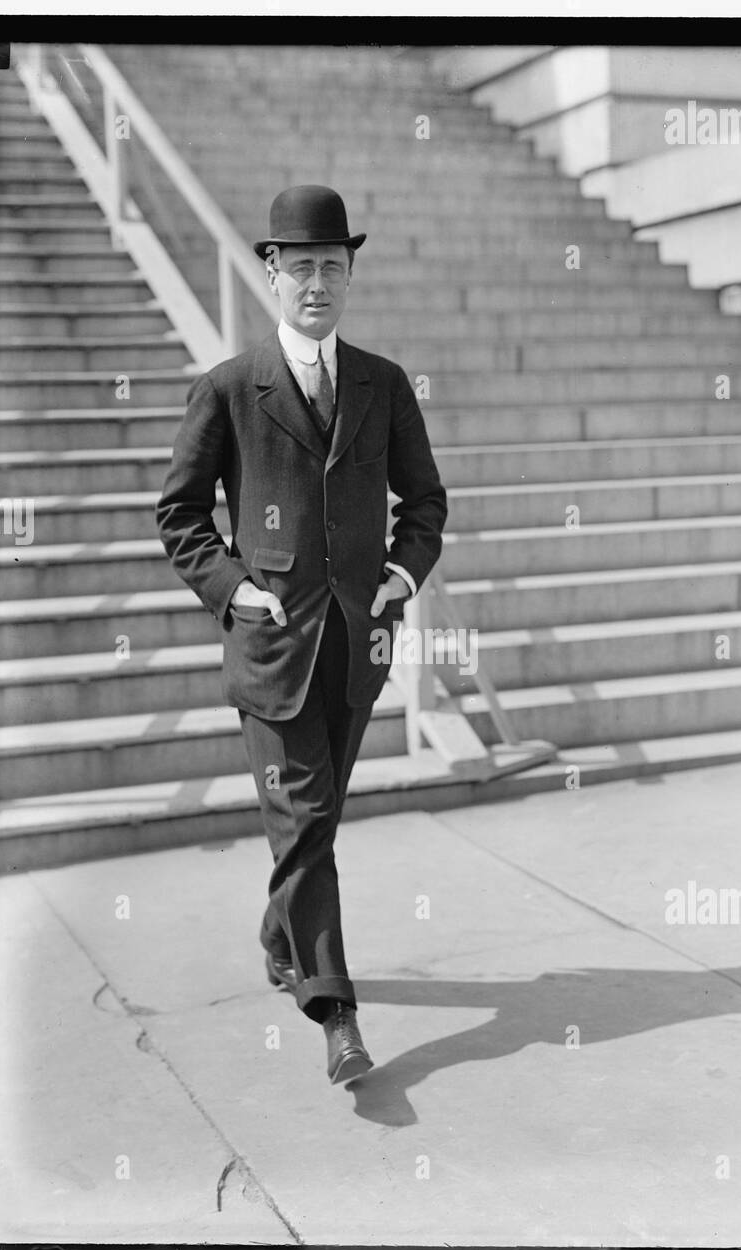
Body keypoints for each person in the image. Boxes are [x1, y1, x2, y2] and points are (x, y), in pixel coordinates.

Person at [156, 185, 448, 1086]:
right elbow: (180, 515)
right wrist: (235, 590)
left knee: (307, 830)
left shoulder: (383, 383)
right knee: (311, 820)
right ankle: (337, 1015)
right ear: (271, 274)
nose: (315, 283)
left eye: (332, 266)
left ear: (350, 275)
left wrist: (398, 580)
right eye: (300, 267)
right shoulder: (231, 388)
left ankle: (280, 936)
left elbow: (426, 504)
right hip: (272, 653)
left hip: (357, 652)